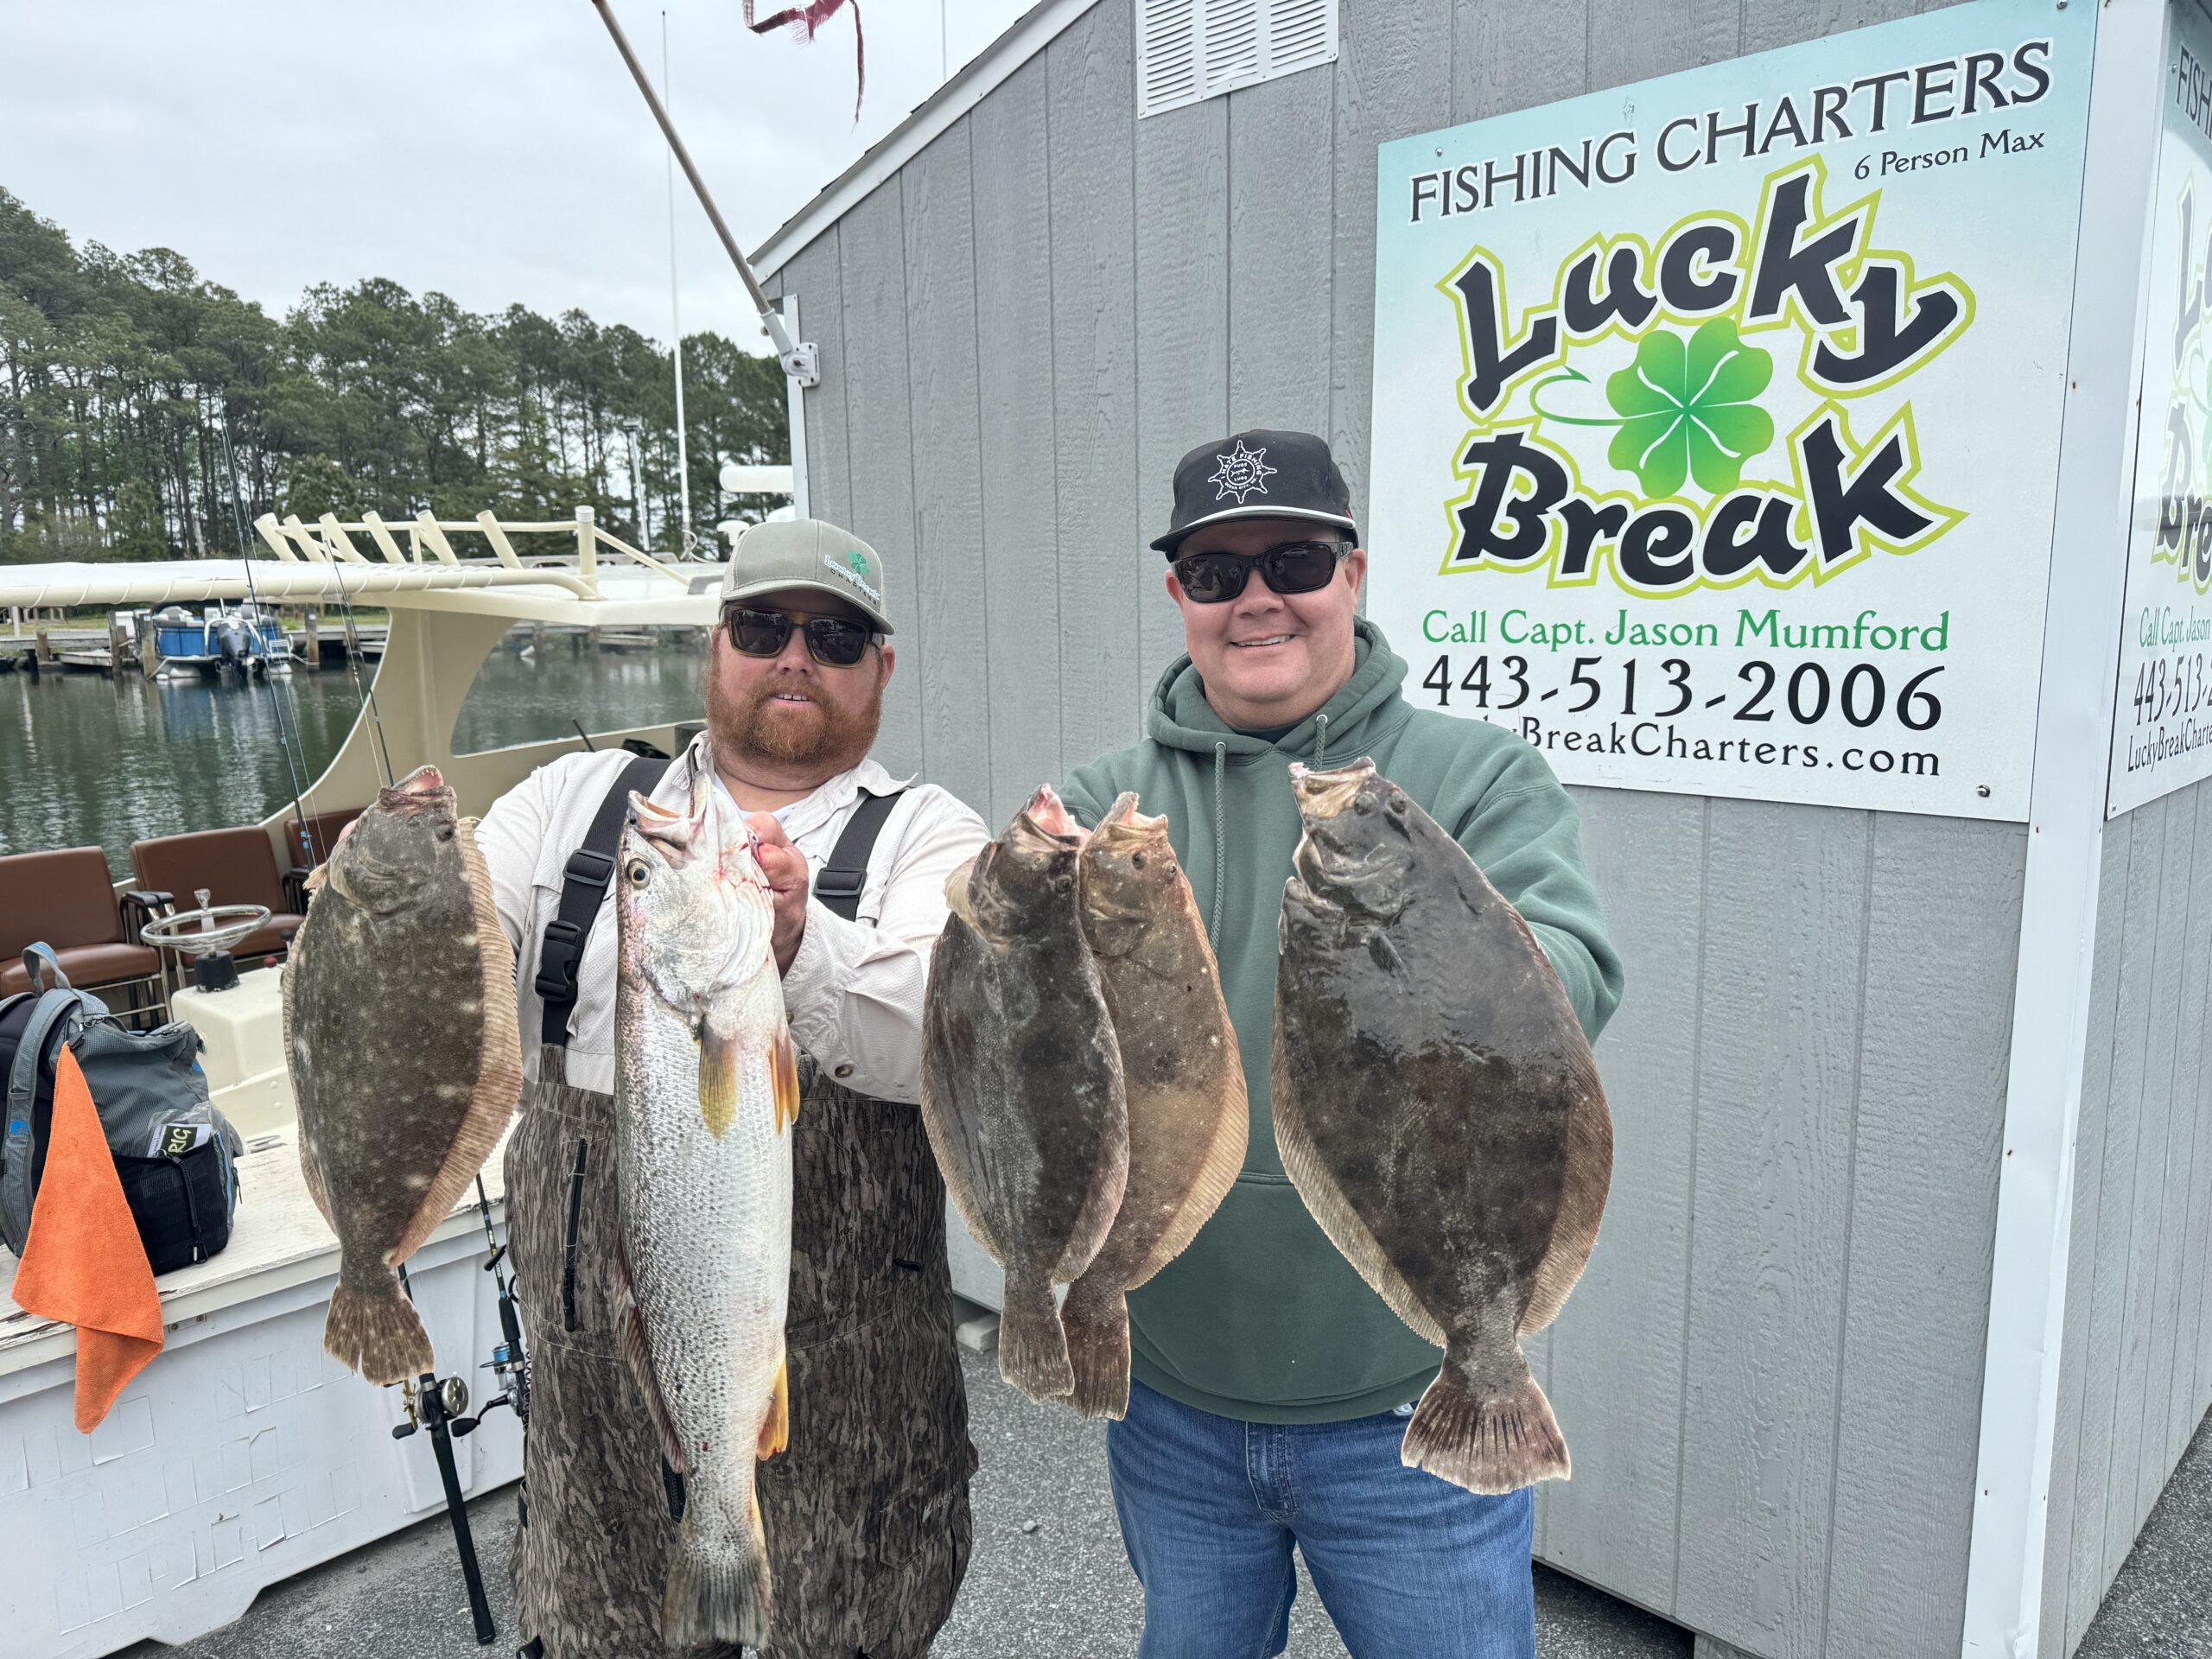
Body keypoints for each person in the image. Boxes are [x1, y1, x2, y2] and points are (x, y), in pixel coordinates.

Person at [1058, 429, 1625, 1659]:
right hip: (1174, 1403)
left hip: (1404, 1398)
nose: (1257, 597)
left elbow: (1574, 975)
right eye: (1217, 575)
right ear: (1179, 600)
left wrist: (1437, 946)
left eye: (1294, 560)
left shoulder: (1471, 778)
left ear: (1352, 576)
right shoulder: (1114, 809)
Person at [475, 518, 985, 1659]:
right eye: (764, 627)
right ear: (716, 648)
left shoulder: (928, 836)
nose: (797, 656)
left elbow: (947, 1036)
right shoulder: (574, 800)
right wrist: (401, 892)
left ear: (881, 669)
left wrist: (804, 945)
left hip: (850, 1412)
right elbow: (467, 929)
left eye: (838, 637)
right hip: (594, 1401)